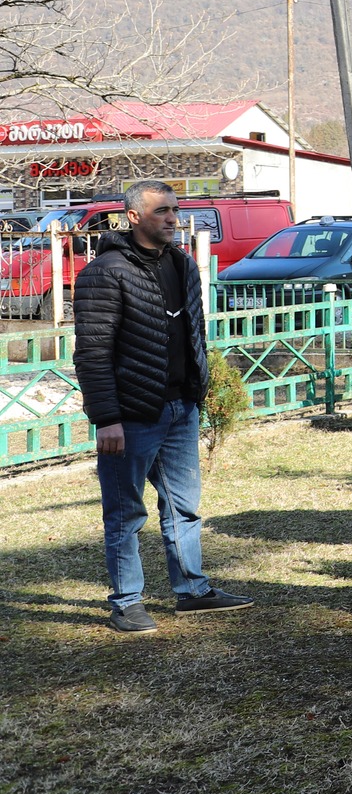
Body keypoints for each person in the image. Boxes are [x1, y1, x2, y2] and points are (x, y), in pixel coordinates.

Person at [77, 180, 253, 633]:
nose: (173, 218)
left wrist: (198, 387)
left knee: (184, 507)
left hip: (181, 408)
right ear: (133, 216)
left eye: (174, 209)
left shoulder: (182, 264)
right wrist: (107, 419)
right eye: (161, 211)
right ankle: (126, 603)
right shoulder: (105, 272)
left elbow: (194, 331)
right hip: (132, 415)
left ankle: (192, 591)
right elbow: (93, 353)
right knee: (126, 514)